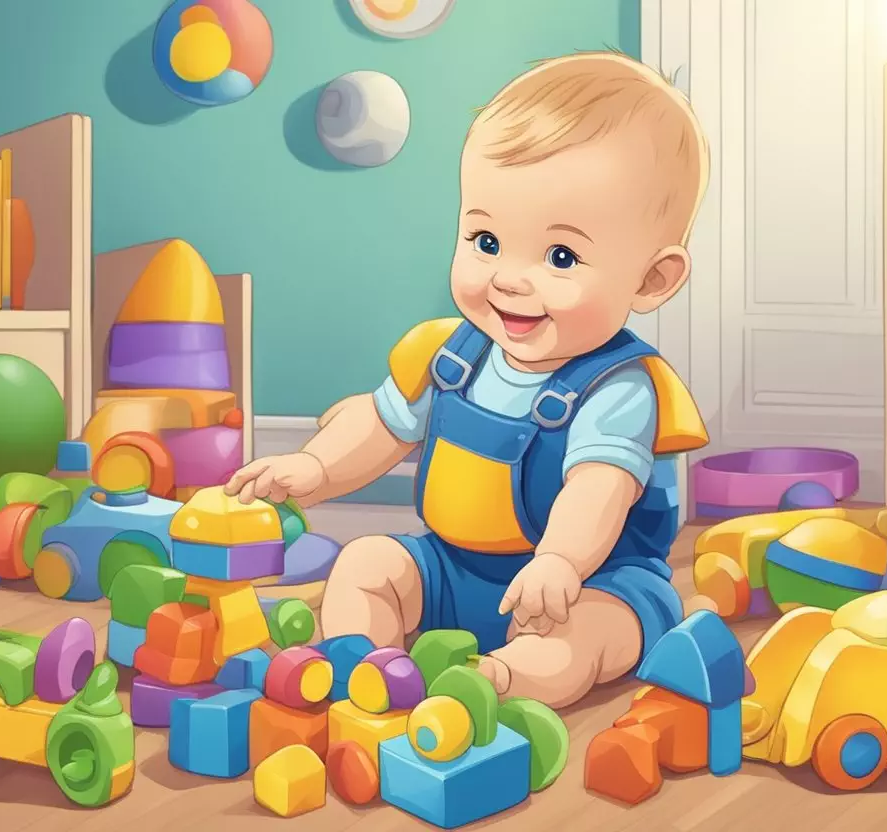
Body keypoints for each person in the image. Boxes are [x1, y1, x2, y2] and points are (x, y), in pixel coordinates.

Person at [226, 51, 710, 708]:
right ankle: (366, 668)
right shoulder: (451, 356)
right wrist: (312, 470)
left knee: (589, 634)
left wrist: (561, 562)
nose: (509, 277)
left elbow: (597, 490)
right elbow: (382, 423)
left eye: (560, 256)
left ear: (652, 280)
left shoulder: (619, 390)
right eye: (486, 241)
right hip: (455, 570)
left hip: (589, 580)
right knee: (366, 562)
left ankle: (498, 682)